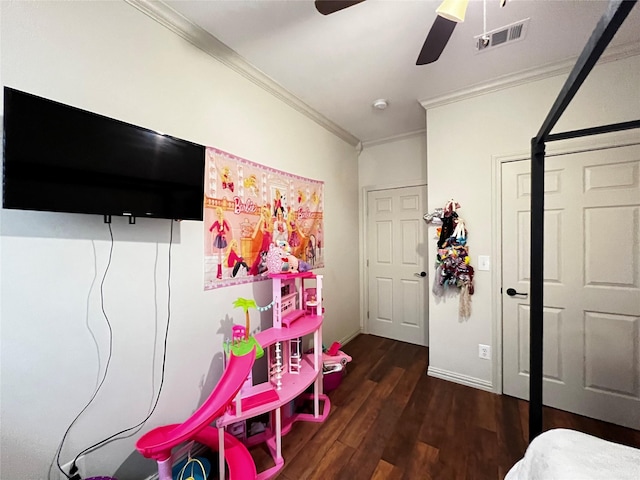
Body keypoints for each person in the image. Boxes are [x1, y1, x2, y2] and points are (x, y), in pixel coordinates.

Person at [209, 207, 230, 279]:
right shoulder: (216, 222)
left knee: (221, 255)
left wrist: (224, 232)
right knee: (219, 256)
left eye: (219, 213)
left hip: (222, 237)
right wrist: (215, 231)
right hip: (219, 237)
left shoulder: (223, 221)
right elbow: (211, 228)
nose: (218, 214)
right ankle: (219, 273)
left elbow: (228, 228)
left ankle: (221, 272)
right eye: (217, 213)